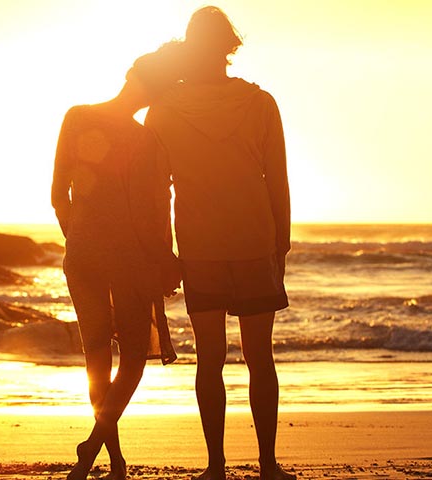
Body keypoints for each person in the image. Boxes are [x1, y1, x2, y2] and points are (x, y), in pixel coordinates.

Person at [142, 6, 296, 480]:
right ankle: (268, 464)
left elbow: (153, 190)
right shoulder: (260, 103)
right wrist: (281, 247)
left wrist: (162, 251)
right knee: (259, 357)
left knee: (210, 358)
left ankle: (215, 467)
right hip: (254, 242)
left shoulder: (163, 111)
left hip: (199, 246)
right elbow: (278, 183)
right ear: (230, 47)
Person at [51, 61, 182, 480]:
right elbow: (148, 213)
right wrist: (167, 259)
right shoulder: (144, 139)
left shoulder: (77, 116)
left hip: (83, 256)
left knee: (98, 358)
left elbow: (58, 196)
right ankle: (93, 450)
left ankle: (112, 461)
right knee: (131, 362)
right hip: (127, 259)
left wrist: (79, 237)